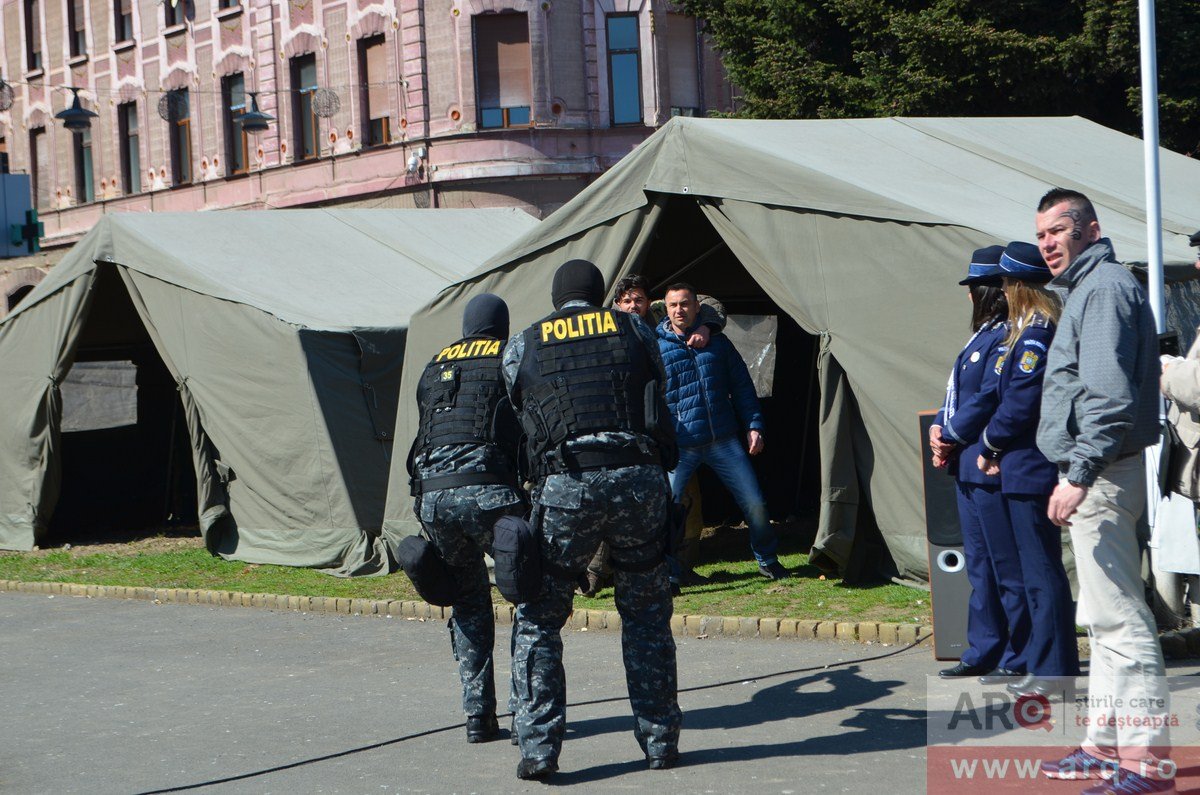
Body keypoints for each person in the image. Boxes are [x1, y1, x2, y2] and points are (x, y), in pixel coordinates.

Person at [502, 259, 681, 780]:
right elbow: (659, 380)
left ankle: (539, 748)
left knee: (539, 619)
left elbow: (517, 404)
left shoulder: (525, 341)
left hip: (567, 485)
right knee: (646, 614)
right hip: (638, 480)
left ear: (557, 297)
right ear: (599, 292)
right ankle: (660, 742)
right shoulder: (633, 327)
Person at [1031, 189, 1171, 793]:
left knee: (1121, 621)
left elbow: (1109, 400)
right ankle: (1105, 747)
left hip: (1103, 474)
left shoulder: (1105, 288)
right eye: (1041, 234)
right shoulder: (1090, 288)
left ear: (1090, 229)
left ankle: (1145, 764)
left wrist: (1078, 474)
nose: (1047, 243)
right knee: (1103, 619)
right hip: (1100, 471)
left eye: (1058, 230)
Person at [405, 293, 525, 745]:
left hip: (434, 499)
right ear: (501, 324)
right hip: (490, 492)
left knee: (469, 602)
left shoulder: (435, 364)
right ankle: (527, 714)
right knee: (529, 596)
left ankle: (478, 716)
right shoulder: (508, 354)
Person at [579, 274, 728, 596]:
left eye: (639, 299)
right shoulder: (603, 326)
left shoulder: (661, 312)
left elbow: (710, 303)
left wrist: (707, 326)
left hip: (669, 421)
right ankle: (596, 573)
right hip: (625, 425)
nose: (634, 306)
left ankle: (682, 567)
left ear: (649, 301)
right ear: (617, 304)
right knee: (618, 498)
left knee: (684, 496)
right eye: (627, 301)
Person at [975, 241, 1080, 694]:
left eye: (1005, 283)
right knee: (1035, 572)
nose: (1001, 290)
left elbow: (1021, 400)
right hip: (1022, 464)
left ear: (1018, 286)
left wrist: (990, 443)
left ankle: (1054, 671)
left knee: (1040, 573)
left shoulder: (1036, 332)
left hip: (1028, 463)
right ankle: (1048, 664)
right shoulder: (1029, 329)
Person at [928, 245, 1030, 682]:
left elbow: (988, 396)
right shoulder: (982, 335)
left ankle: (1018, 652)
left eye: (974, 287)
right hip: (967, 465)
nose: (968, 295)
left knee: (1006, 565)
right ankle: (984, 648)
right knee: (980, 565)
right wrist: (939, 423)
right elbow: (958, 392)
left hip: (989, 463)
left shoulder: (1006, 335)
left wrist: (950, 434)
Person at [656, 282, 785, 580]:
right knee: (667, 512)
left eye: (685, 304)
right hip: (681, 445)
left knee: (754, 503)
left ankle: (767, 559)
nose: (679, 310)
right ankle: (669, 575)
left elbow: (742, 387)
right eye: (673, 305)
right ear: (666, 309)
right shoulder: (656, 348)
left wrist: (754, 425)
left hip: (722, 440)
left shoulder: (719, 343)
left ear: (696, 307)